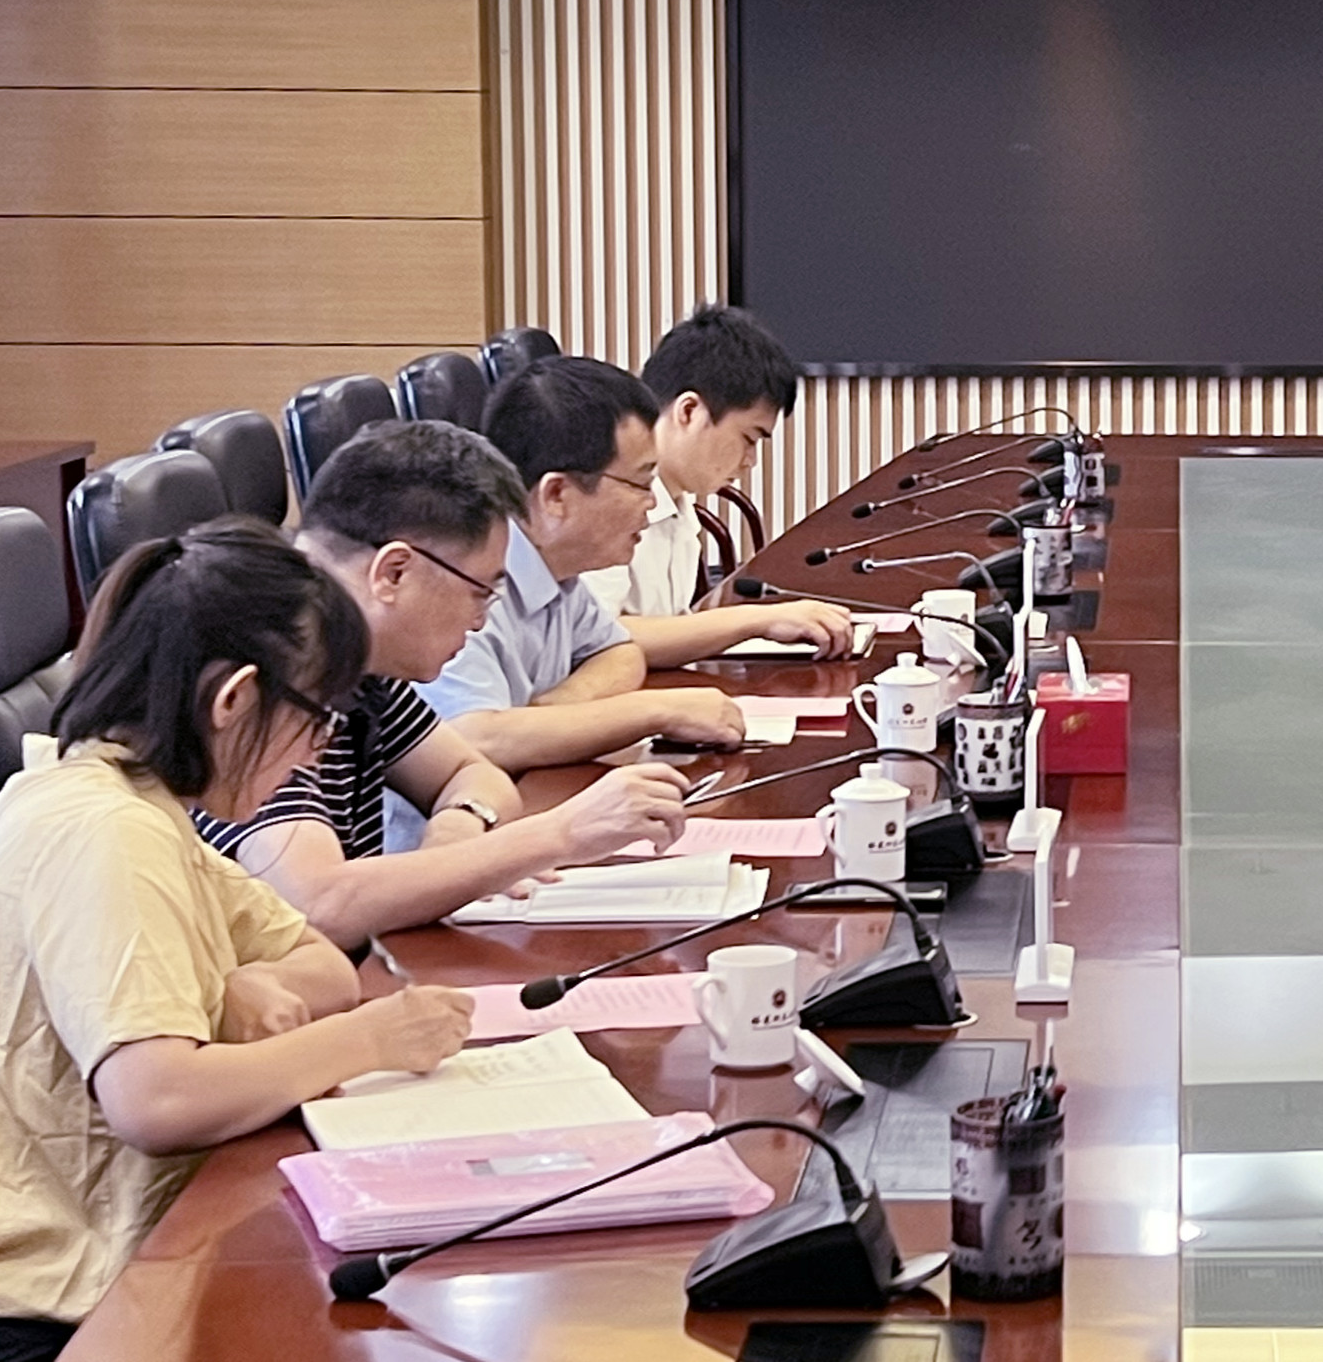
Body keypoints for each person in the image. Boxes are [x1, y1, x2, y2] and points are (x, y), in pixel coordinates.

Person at [0, 522, 474, 1362]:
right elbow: (158, 1102)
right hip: (14, 1325)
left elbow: (324, 969)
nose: (314, 757)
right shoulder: (102, 827)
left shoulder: (138, 802)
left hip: (114, 1274)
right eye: (318, 722)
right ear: (235, 700)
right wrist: (371, 1039)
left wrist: (227, 989)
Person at [195, 421, 693, 946]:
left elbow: (471, 773)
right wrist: (560, 834)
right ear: (394, 573)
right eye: (480, 593)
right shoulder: (267, 671)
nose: (480, 621)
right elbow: (317, 905)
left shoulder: (359, 658)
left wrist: (457, 834)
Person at [424, 357, 748, 773]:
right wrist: (656, 712)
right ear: (556, 495)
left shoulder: (557, 567)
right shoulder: (464, 577)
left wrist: (552, 712)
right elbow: (474, 738)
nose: (651, 503)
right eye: (640, 484)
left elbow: (620, 653)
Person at [585, 303, 858, 665]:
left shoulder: (678, 503)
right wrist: (757, 620)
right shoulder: (605, 498)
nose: (750, 460)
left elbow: (668, 628)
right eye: (749, 438)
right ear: (689, 411)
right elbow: (598, 639)